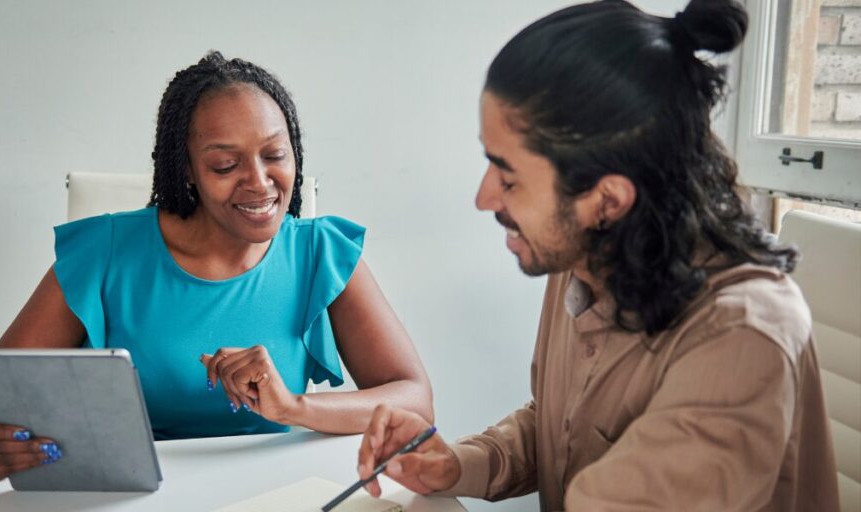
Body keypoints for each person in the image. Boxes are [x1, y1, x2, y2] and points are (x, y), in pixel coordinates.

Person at [356, 1, 839, 510]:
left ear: (607, 201)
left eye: (509, 176)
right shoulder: (584, 255)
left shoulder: (743, 336)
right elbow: (567, 427)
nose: (484, 198)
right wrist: (457, 463)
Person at [0, 51, 433, 482]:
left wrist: (296, 408)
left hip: (275, 493)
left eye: (275, 155)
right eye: (225, 165)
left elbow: (415, 398)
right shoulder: (105, 252)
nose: (260, 183)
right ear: (187, 171)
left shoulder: (321, 252)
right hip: (133, 497)